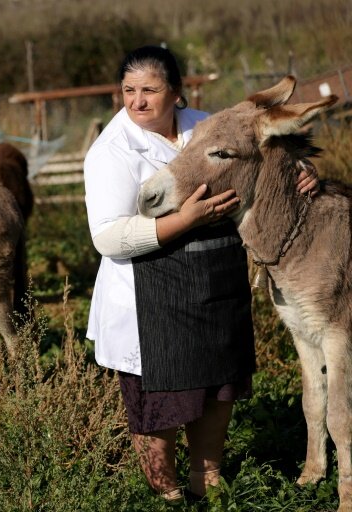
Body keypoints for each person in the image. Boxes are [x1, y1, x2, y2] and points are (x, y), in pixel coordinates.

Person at [83, 45, 318, 501]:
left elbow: (259, 160)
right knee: (160, 401)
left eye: (150, 90)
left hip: (215, 280)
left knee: (217, 387)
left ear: (177, 93)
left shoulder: (206, 126)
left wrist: (302, 171)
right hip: (151, 296)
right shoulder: (110, 152)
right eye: (128, 91)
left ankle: (207, 482)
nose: (137, 101)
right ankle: (165, 493)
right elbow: (108, 238)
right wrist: (185, 220)